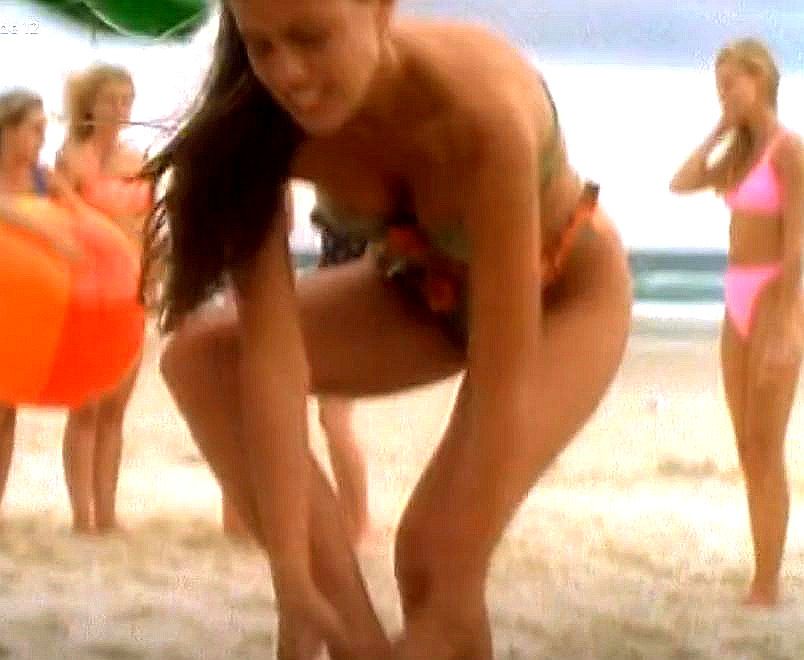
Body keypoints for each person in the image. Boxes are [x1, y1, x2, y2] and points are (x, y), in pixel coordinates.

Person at [144, 1, 632, 657]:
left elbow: (502, 384)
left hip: (562, 299)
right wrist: (290, 572)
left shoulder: (481, 111)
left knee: (435, 557)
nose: (288, 73)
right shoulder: (255, 128)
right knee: (200, 362)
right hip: (419, 292)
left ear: (380, 9)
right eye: (262, 46)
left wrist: (458, 575)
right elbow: (273, 362)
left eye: (310, 38)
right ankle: (352, 642)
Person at [671, 38, 804, 608]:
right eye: (718, 85)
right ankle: (761, 570)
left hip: (775, 300)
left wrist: (786, 323)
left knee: (767, 445)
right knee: (747, 445)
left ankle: (767, 582)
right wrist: (720, 128)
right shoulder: (738, 155)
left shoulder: (789, 151)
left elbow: (797, 246)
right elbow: (681, 180)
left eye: (732, 84)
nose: (723, 94)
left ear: (762, 80)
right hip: (735, 300)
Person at [223, 225, 371, 546]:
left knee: (328, 419)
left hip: (345, 303)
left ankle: (358, 524)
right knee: (322, 418)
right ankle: (356, 523)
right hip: (338, 298)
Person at [56, 63, 151, 534]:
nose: (120, 109)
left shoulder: (138, 160)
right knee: (86, 407)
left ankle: (108, 515)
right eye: (112, 99)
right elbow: (59, 225)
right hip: (84, 291)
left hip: (131, 290)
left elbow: (151, 228)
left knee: (115, 409)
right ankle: (82, 516)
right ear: (90, 104)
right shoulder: (71, 159)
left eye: (127, 100)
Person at [0, 89, 51, 521]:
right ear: (10, 130)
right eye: (35, 129)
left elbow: (82, 221)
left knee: (7, 412)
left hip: (22, 312)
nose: (42, 139)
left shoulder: (43, 179)